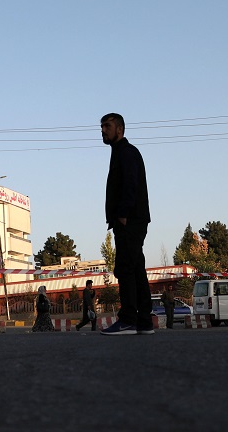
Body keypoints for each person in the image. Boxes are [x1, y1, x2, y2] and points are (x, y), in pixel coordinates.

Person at [99, 113, 153, 336]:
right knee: (136, 269)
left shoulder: (126, 153)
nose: (103, 130)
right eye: (102, 126)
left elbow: (131, 184)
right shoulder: (120, 153)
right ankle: (144, 322)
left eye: (107, 126)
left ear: (119, 129)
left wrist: (122, 214)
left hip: (130, 220)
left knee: (126, 269)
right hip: (132, 219)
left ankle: (129, 320)